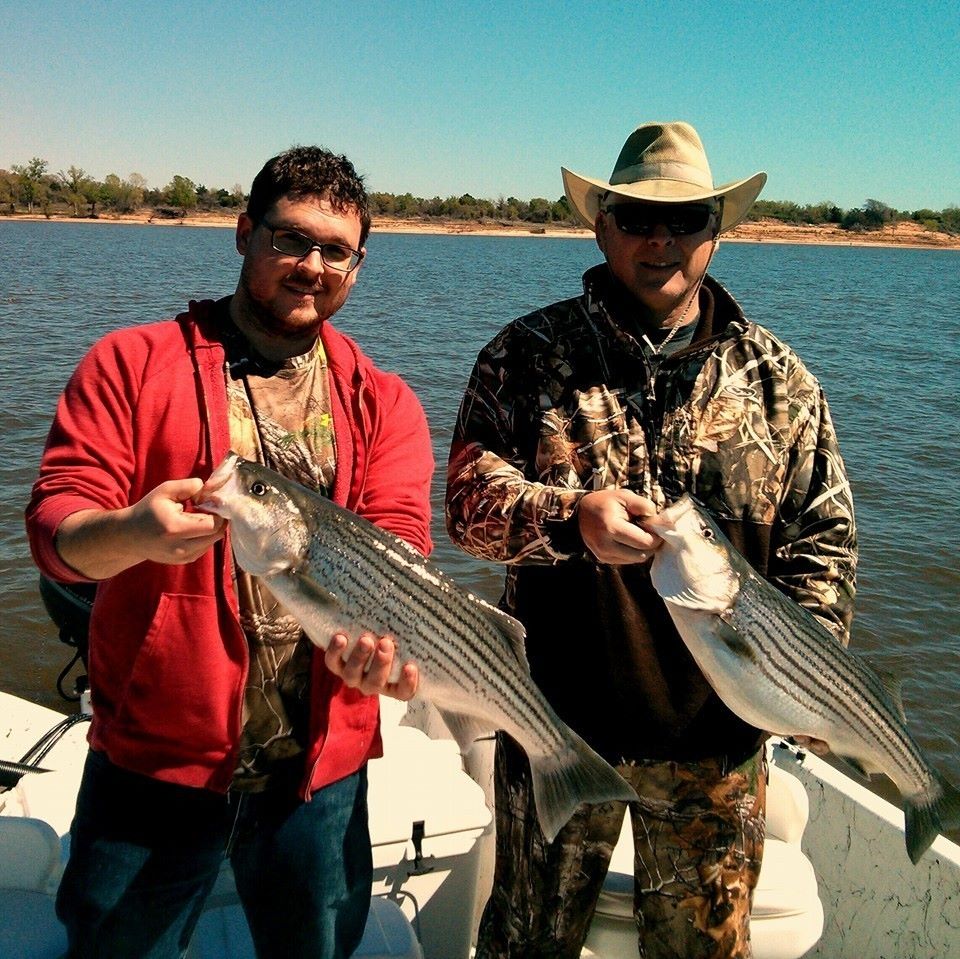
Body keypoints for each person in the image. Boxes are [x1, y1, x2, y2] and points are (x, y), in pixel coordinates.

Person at [445, 121, 857, 958]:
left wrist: (808, 679)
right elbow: (464, 504)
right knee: (527, 944)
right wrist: (568, 519)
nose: (660, 238)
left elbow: (825, 543)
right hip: (555, 728)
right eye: (636, 217)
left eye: (686, 218)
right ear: (602, 228)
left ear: (717, 230)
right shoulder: (524, 356)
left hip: (718, 750)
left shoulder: (781, 382)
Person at [26, 146, 431, 959]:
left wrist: (387, 651)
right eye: (291, 238)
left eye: (337, 250)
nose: (312, 266)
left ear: (357, 265)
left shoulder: (384, 400)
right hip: (153, 766)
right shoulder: (131, 364)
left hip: (319, 773)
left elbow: (401, 546)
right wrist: (133, 532)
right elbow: (56, 525)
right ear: (245, 233)